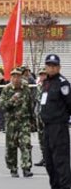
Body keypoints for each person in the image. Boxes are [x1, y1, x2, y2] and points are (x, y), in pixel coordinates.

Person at [41, 54, 71, 189]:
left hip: (59, 127)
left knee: (61, 162)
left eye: (54, 66)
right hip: (47, 128)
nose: (51, 68)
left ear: (59, 67)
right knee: (49, 162)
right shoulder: (46, 83)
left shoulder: (63, 83)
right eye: (49, 66)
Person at [0, 68, 33, 178]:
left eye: (18, 76)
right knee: (11, 146)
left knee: (26, 144)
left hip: (24, 122)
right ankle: (13, 168)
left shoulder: (25, 88)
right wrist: (12, 100)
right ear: (11, 78)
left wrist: (33, 120)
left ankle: (26, 168)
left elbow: (30, 103)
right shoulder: (7, 89)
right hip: (11, 123)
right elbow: (2, 106)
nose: (16, 79)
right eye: (13, 76)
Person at [34, 68, 47, 167]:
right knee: (41, 138)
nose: (42, 77)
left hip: (47, 117)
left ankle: (49, 158)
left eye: (44, 75)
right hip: (39, 116)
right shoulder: (39, 86)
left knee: (48, 138)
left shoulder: (51, 86)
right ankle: (44, 157)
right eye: (41, 75)